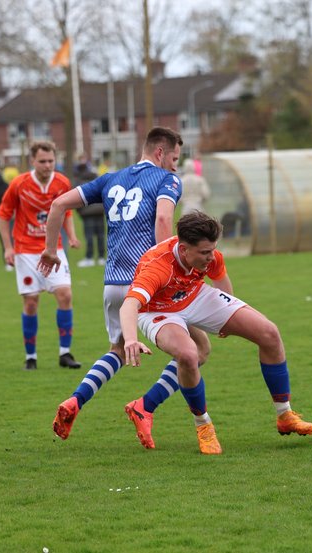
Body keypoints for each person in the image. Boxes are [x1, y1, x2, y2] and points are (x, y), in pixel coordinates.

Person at [38, 127, 210, 441]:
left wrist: (51, 249)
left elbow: (58, 205)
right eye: (174, 158)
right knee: (198, 349)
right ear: (160, 153)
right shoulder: (166, 180)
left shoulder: (109, 178)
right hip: (148, 283)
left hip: (114, 283)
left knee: (117, 349)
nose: (175, 165)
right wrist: (171, 267)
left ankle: (75, 401)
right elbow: (162, 220)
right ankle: (146, 406)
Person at [120, 211, 312, 455]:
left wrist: (228, 315)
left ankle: (285, 414)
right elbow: (130, 304)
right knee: (189, 355)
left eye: (212, 249)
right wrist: (131, 339)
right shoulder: (158, 267)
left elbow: (221, 281)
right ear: (183, 250)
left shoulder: (208, 254)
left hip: (193, 295)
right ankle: (203, 425)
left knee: (269, 333)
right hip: (157, 311)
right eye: (204, 253)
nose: (211, 257)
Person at [0, 141, 82, 371]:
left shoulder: (62, 182)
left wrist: (72, 236)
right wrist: (8, 247)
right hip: (25, 251)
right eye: (42, 161)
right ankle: (31, 357)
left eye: (51, 161)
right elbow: (3, 215)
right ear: (32, 161)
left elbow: (67, 211)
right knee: (31, 302)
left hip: (54, 250)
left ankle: (65, 353)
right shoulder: (19, 184)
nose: (47, 165)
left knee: (65, 295)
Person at [71, 161, 105, 267]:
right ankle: (101, 257)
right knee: (101, 235)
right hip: (100, 210)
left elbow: (76, 199)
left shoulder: (78, 181)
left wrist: (80, 212)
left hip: (87, 213)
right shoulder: (97, 178)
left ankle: (89, 258)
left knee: (89, 236)